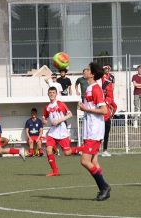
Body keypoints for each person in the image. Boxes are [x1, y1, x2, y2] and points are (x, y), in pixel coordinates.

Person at [78, 62, 111, 201]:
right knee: (94, 161)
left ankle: (104, 186)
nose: (84, 71)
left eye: (87, 70)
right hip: (90, 129)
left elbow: (104, 111)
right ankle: (103, 189)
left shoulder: (96, 89)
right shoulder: (90, 88)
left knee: (84, 161)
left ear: (92, 74)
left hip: (94, 130)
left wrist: (86, 109)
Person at [42, 87, 82, 176]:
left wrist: (59, 120)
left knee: (67, 153)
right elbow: (44, 117)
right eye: (50, 92)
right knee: (48, 150)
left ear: (56, 94)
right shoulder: (47, 107)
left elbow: (70, 114)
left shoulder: (60, 104)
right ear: (48, 94)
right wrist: (44, 121)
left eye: (53, 92)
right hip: (52, 132)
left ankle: (84, 148)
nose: (51, 94)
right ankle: (55, 171)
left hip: (61, 131)